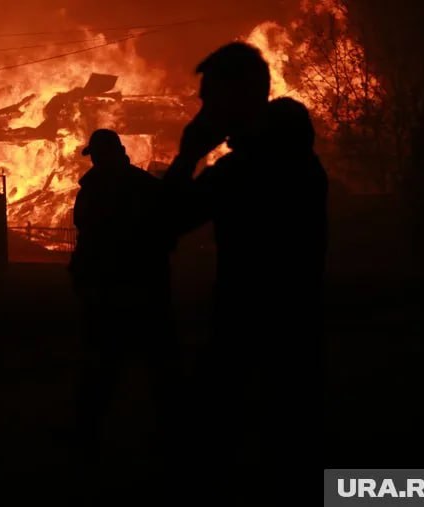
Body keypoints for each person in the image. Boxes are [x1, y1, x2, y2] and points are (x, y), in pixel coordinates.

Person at [165, 43, 327, 505]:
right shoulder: (299, 158)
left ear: (235, 99)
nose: (202, 108)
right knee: (292, 446)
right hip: (297, 327)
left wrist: (187, 156)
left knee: (226, 445)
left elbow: (168, 220)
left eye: (208, 98)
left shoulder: (246, 170)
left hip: (245, 327)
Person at [69, 129, 179, 478]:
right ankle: (164, 437)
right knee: (149, 366)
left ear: (110, 154)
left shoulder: (110, 189)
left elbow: (90, 235)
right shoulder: (139, 186)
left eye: (99, 154)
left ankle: (92, 438)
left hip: (120, 289)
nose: (97, 161)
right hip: (133, 288)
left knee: (109, 364)